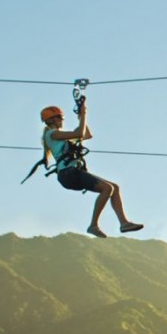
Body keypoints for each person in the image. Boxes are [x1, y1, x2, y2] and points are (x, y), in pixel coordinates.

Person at [40, 99, 144, 239]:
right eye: (60, 117)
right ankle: (93, 225)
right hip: (68, 173)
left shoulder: (62, 136)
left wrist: (81, 116)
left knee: (114, 187)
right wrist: (83, 115)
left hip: (72, 173)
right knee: (107, 188)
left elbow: (87, 134)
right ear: (52, 120)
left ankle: (123, 223)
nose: (62, 120)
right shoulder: (52, 134)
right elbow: (79, 134)